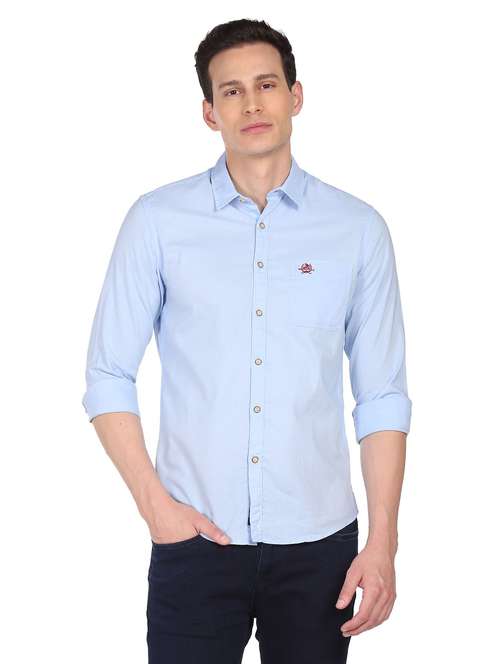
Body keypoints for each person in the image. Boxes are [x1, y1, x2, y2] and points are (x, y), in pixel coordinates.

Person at [82, 17, 412, 664]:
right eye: (231, 91)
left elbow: (382, 396)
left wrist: (383, 542)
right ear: (210, 112)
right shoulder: (156, 222)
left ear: (296, 95)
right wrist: (157, 510)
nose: (251, 104)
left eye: (266, 85)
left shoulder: (358, 230)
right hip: (194, 539)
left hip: (320, 546)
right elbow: (107, 375)